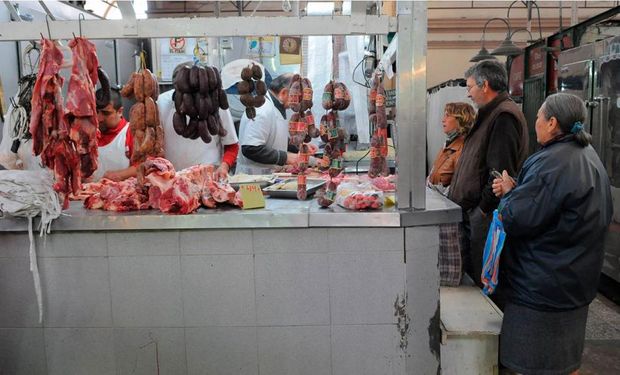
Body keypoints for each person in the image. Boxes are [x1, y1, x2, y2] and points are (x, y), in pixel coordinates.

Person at [492, 93, 612, 375]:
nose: (535, 123)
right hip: (575, 279)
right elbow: (553, 208)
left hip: (542, 286)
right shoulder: (588, 156)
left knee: (535, 364)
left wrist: (509, 194)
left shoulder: (551, 163)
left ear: (552, 122)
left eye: (537, 117)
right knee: (565, 363)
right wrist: (520, 190)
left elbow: (516, 218)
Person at [448, 60, 529, 286]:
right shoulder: (489, 113)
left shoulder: (504, 116)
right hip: (477, 215)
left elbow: (500, 172)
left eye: (470, 87)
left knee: (486, 278)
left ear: (485, 86)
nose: (468, 94)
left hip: (486, 217)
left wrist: (481, 211)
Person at [158, 62, 239, 180]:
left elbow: (232, 145)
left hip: (208, 179)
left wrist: (224, 166)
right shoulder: (161, 103)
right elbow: (154, 147)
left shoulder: (214, 103)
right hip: (172, 181)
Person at [427, 102, 476, 286]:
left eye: (448, 115)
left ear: (461, 120)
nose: (443, 119)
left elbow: (459, 184)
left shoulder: (463, 149)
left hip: (453, 214)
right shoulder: (447, 145)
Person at [236, 73, 316, 175]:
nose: (298, 104)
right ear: (283, 93)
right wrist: (285, 157)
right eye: (296, 98)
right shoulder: (262, 109)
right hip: (253, 180)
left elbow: (274, 137)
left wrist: (298, 147)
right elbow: (250, 148)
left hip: (268, 177)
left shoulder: (276, 106)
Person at [94, 87, 136, 181]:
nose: (99, 118)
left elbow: (143, 165)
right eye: (96, 112)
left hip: (122, 193)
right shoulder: (88, 133)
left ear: (120, 111)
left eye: (106, 113)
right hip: (89, 193)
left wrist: (120, 175)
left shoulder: (130, 132)